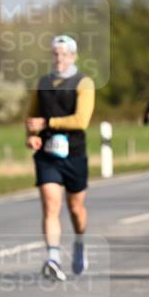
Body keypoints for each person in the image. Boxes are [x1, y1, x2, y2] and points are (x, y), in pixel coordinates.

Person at [25, 35, 95, 281]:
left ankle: (79, 242)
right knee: (50, 204)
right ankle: (53, 257)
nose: (59, 58)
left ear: (73, 56)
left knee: (75, 208)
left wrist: (48, 122)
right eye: (55, 54)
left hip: (74, 153)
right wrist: (31, 134)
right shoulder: (42, 82)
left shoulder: (83, 83)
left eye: (64, 54)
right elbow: (32, 116)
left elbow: (81, 120)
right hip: (47, 154)